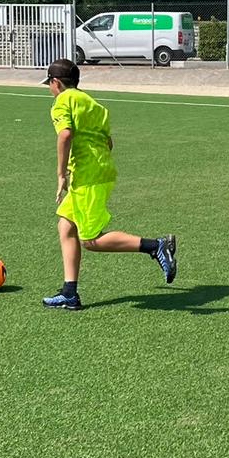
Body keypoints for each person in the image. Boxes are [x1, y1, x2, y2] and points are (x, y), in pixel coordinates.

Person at [42, 58, 177, 310]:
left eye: (49, 84)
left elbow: (65, 134)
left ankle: (155, 246)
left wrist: (61, 174)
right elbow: (109, 142)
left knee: (90, 239)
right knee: (65, 225)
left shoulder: (61, 101)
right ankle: (69, 292)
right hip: (100, 170)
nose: (50, 89)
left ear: (56, 82)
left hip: (88, 176)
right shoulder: (93, 104)